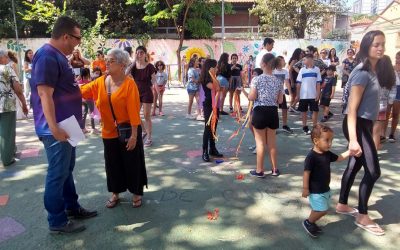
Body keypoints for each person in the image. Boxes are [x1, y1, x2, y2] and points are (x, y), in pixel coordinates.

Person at [30, 16, 97, 234]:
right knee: (58, 173)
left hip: (67, 125)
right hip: (57, 127)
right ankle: (57, 221)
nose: (79, 43)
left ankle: (71, 207)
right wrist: (54, 128)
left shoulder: (55, 55)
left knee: (66, 170)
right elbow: (44, 93)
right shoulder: (48, 56)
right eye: (78, 38)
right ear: (66, 36)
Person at [335, 30, 392, 236]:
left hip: (364, 124)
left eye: (383, 44)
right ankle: (362, 215)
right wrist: (352, 140)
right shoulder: (361, 72)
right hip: (356, 124)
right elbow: (352, 110)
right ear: (367, 45)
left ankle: (342, 204)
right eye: (376, 44)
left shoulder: (373, 71)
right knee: (373, 171)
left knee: (355, 165)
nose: (381, 48)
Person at [81, 48, 147, 210]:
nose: (106, 63)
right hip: (108, 132)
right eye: (106, 60)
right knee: (112, 164)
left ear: (122, 64)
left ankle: (136, 192)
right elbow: (82, 92)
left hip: (128, 132)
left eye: (111, 61)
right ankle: (115, 192)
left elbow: (133, 112)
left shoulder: (129, 84)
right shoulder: (101, 81)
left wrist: (134, 136)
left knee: (132, 162)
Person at [302, 124, 349, 238]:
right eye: (327, 140)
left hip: (325, 189)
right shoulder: (311, 157)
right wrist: (305, 188)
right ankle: (308, 222)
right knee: (322, 210)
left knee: (320, 209)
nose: (330, 143)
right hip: (315, 191)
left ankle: (311, 221)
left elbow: (339, 158)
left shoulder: (327, 153)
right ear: (316, 140)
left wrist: (350, 151)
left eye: (331, 140)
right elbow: (306, 173)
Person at [248, 53, 283, 177]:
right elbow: (280, 101)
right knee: (272, 143)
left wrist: (248, 94)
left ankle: (259, 170)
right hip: (273, 112)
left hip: (260, 112)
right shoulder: (279, 81)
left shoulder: (256, 79)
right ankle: (274, 169)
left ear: (263, 64)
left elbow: (252, 96)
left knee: (260, 143)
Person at [0, 50, 28, 166]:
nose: (8, 59)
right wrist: (24, 104)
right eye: (7, 57)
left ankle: (10, 151)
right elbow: (18, 89)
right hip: (6, 105)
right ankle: (7, 158)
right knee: (7, 132)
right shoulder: (7, 69)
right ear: (2, 58)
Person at [130, 46, 156, 147]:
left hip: (147, 92)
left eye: (141, 53)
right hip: (136, 92)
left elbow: (154, 80)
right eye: (137, 53)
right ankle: (144, 131)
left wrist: (153, 88)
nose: (139, 54)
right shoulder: (133, 66)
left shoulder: (150, 66)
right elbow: (125, 73)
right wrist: (133, 62)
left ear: (145, 54)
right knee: (135, 114)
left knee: (146, 115)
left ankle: (149, 137)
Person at [200, 59, 223, 162]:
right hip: (209, 106)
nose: (217, 69)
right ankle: (204, 151)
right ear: (210, 68)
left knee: (214, 128)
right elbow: (217, 87)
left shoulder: (213, 78)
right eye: (215, 67)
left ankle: (212, 149)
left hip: (215, 106)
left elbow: (219, 88)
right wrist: (214, 76)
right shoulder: (206, 79)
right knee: (208, 128)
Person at [296, 54, 322, 135]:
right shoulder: (302, 70)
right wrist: (298, 94)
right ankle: (305, 127)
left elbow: (318, 83)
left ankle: (315, 127)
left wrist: (318, 94)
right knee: (304, 111)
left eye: (304, 60)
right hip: (303, 95)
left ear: (310, 59)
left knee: (315, 111)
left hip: (313, 95)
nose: (303, 61)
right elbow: (298, 83)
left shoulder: (317, 70)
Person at [273, 56, 293, 134]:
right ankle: (274, 126)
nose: (284, 62)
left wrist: (290, 93)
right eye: (282, 61)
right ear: (278, 62)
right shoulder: (273, 71)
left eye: (284, 60)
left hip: (282, 93)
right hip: (274, 94)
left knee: (284, 109)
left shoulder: (285, 71)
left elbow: (287, 82)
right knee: (274, 110)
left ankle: (285, 125)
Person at [384, 51, 400, 142]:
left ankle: (392, 134)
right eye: (397, 58)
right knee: (386, 113)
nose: (397, 60)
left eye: (399, 58)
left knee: (395, 114)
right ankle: (382, 133)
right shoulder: (391, 68)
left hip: (399, 91)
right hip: (390, 90)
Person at [79, 68, 99, 134]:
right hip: (89, 99)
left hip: (82, 99)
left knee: (84, 113)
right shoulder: (89, 82)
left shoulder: (79, 82)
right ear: (88, 74)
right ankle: (93, 128)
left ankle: (83, 128)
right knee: (92, 113)